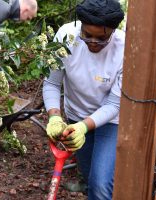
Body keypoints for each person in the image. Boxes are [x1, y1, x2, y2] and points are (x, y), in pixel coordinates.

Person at [43, 0, 125, 199]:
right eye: (87, 35)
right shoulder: (65, 37)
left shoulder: (124, 49)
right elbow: (52, 83)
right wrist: (54, 117)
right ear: (80, 26)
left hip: (111, 121)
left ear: (113, 31)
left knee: (101, 184)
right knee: (89, 178)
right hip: (75, 116)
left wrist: (83, 127)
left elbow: (114, 104)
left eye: (101, 37)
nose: (94, 42)